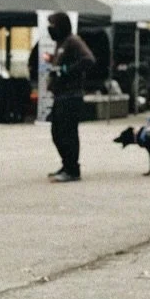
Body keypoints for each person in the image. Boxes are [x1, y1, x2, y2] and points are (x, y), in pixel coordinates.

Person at [44, 11, 95, 183]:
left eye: (53, 26)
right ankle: (66, 164)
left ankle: (73, 169)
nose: (50, 29)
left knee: (68, 133)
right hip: (60, 94)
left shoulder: (73, 41)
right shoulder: (60, 44)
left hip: (71, 95)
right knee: (56, 132)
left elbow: (88, 60)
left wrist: (67, 71)